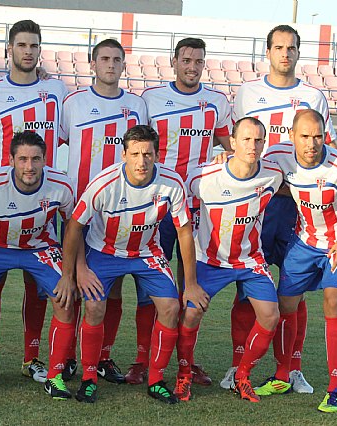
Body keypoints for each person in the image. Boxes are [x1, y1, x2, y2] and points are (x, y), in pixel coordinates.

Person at [223, 24, 337, 393]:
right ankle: (237, 364)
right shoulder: (247, 93)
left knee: (293, 290)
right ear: (268, 52)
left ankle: (290, 368)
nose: (284, 53)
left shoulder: (313, 96)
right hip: (256, 205)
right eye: (278, 47)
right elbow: (233, 143)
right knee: (247, 287)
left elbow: (326, 151)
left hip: (296, 208)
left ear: (298, 53)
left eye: (291, 47)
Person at [59, 125, 209, 404]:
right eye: (136, 154)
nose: (142, 161)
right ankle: (89, 377)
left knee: (171, 306)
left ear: (157, 154)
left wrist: (190, 284)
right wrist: (75, 272)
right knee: (93, 305)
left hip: (146, 252)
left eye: (148, 154)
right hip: (104, 251)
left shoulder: (171, 183)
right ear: (124, 154)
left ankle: (156, 379)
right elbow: (74, 226)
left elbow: (185, 232)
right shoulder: (104, 183)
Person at [255, 109, 337, 413]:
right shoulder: (279, 154)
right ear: (292, 137)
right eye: (304, 136)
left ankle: (335, 388)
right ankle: (283, 374)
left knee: (333, 302)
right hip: (305, 242)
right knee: (285, 304)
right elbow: (254, 170)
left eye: (317, 136)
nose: (311, 143)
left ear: (325, 135)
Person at [0, 19, 68, 385]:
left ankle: (32, 357)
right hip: (0, 204)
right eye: (21, 45)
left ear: (40, 51)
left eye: (34, 46)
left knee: (38, 285)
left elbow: (78, 133)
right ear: (9, 48)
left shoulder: (57, 89)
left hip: (44, 204)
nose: (28, 51)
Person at [0, 131, 76, 400]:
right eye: (22, 159)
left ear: (46, 159)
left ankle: (55, 376)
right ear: (11, 159)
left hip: (40, 247)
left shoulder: (62, 185)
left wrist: (69, 273)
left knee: (65, 299)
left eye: (35, 159)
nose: (29, 166)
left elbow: (72, 226)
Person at [141, 37, 232, 386]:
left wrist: (226, 157)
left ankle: (185, 362)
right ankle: (142, 358)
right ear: (174, 62)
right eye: (186, 60)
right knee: (153, 284)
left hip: (198, 207)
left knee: (189, 288)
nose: (192, 66)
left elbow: (230, 145)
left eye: (198, 61)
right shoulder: (152, 99)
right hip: (158, 205)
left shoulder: (217, 102)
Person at [59, 38, 148, 384]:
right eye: (104, 59)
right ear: (92, 64)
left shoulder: (137, 105)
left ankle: (103, 356)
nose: (110, 65)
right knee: (70, 283)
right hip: (79, 209)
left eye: (116, 59)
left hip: (120, 210)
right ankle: (66, 356)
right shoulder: (73, 103)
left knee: (109, 288)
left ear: (124, 65)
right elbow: (62, 142)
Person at [176, 117, 283, 403]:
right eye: (246, 139)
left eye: (258, 140)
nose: (253, 145)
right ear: (233, 142)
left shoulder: (273, 173)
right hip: (209, 260)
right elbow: (181, 214)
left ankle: (242, 375)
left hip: (249, 260)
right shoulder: (204, 176)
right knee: (190, 313)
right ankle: (184, 375)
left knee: (271, 316)